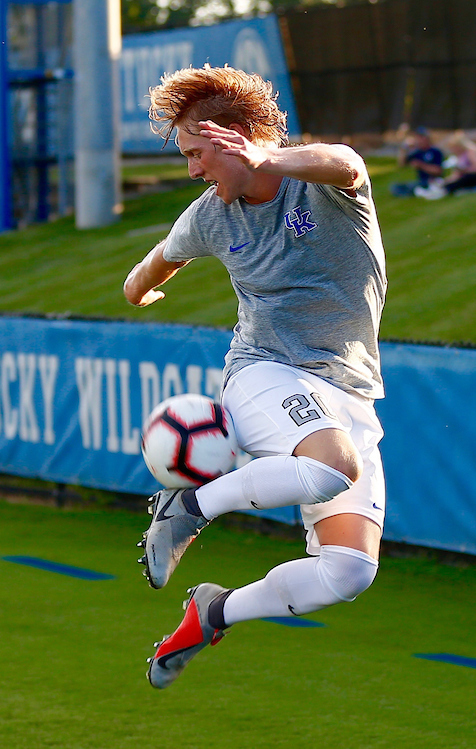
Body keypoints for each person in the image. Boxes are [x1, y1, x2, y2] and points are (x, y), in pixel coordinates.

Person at [123, 65, 387, 690]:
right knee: (330, 468)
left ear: (235, 137)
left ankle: (214, 611)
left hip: (347, 387)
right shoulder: (210, 214)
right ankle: (188, 504)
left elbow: (345, 161)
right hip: (264, 371)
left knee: (347, 572)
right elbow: (147, 273)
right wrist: (142, 290)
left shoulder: (322, 187)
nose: (192, 169)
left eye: (197, 154)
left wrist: (272, 156)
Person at [415, 132, 476, 199]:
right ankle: (441, 188)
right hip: (466, 177)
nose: (453, 150)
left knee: (465, 179)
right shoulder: (459, 157)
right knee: (457, 180)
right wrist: (444, 181)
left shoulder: (471, 152)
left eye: (454, 147)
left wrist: (465, 171)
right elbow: (456, 175)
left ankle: (444, 190)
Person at [390, 126, 444, 197]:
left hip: (433, 181)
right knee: (395, 187)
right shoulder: (417, 152)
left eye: (422, 137)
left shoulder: (435, 151)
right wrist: (404, 148)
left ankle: (420, 192)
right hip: (421, 181)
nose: (420, 140)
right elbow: (401, 164)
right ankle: (418, 192)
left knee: (413, 186)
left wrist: (421, 165)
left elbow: (438, 171)